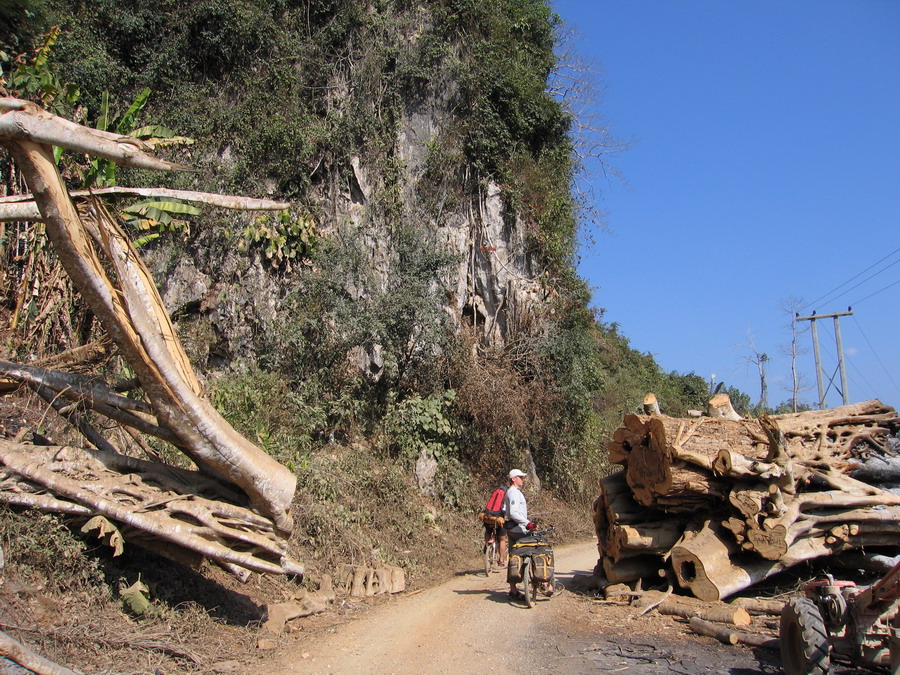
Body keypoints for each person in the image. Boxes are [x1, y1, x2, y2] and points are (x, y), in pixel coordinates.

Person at [503, 468, 536, 599]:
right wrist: (527, 523)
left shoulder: (511, 492)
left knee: (513, 556)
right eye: (520, 477)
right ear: (513, 479)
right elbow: (514, 513)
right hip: (519, 528)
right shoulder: (513, 492)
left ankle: (513, 589)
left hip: (513, 528)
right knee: (535, 548)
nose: (522, 479)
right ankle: (543, 582)